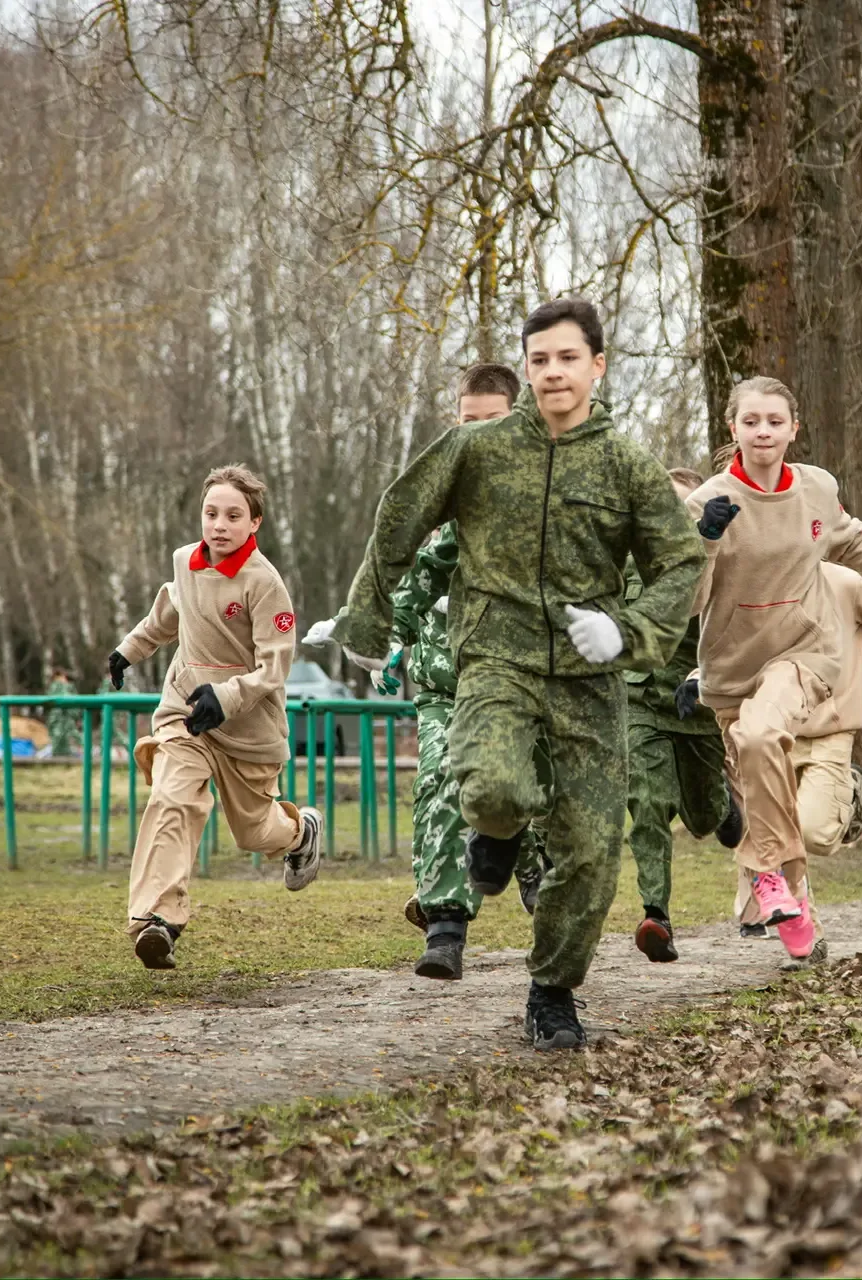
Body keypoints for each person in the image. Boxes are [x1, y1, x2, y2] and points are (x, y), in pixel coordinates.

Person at [317, 298, 704, 1050]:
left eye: (567, 358)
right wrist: (369, 622)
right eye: (539, 359)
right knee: (492, 785)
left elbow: (680, 562)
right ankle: (497, 828)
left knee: (592, 851)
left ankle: (552, 992)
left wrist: (627, 631)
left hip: (590, 678)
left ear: (597, 365)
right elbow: (401, 512)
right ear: (526, 368)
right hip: (497, 656)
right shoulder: (480, 448)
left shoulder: (626, 464)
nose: (552, 372)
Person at [683, 376, 862, 962]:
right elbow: (686, 602)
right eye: (751, 422)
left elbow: (858, 542)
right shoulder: (706, 502)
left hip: (804, 652)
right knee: (762, 783)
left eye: (775, 421)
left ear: (793, 428)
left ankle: (765, 873)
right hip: (732, 665)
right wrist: (706, 539)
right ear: (733, 428)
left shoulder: (816, 488)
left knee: (760, 735)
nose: (763, 432)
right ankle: (796, 906)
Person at [109, 465, 324, 970]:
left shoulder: (265, 583)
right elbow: (167, 615)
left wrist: (226, 697)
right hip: (185, 712)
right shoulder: (185, 562)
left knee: (254, 834)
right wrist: (128, 650)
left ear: (255, 522)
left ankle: (301, 833)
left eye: (233, 515)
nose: (219, 525)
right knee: (171, 797)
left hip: (248, 731)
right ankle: (158, 920)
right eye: (211, 513)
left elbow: (275, 668)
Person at [368, 361, 521, 981]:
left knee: (519, 783)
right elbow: (412, 570)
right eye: (468, 422)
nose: (478, 434)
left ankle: (531, 859)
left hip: (519, 679)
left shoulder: (543, 488)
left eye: (493, 421)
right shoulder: (436, 488)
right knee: (439, 776)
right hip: (443, 682)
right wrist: (390, 639)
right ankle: (445, 925)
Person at [716, 561, 862, 957]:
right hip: (775, 729)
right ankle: (809, 932)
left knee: (810, 832)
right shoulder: (758, 585)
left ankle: (848, 793)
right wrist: (695, 679)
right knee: (777, 831)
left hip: (831, 728)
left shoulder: (844, 582)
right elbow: (728, 648)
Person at [624, 467, 745, 964]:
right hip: (639, 702)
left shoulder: (719, 556)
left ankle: (723, 806)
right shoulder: (629, 558)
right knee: (648, 800)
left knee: (702, 815)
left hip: (696, 706)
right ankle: (657, 915)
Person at [44, 668, 81, 758]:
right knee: (60, 734)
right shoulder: (58, 685)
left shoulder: (66, 686)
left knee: (68, 733)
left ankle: (61, 752)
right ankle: (58, 753)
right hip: (59, 715)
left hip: (65, 715)